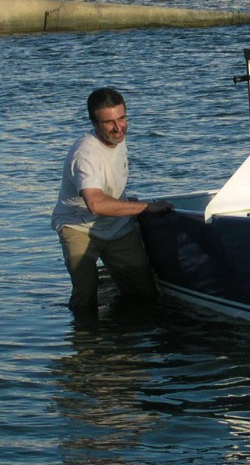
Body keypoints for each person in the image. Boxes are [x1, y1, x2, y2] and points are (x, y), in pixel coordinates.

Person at [51, 87, 172, 311]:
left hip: (116, 225)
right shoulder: (86, 154)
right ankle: (86, 341)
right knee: (85, 295)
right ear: (95, 124)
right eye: (109, 123)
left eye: (122, 118)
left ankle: (128, 337)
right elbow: (95, 203)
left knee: (145, 293)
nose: (118, 128)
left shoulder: (118, 138)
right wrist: (145, 207)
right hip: (78, 226)